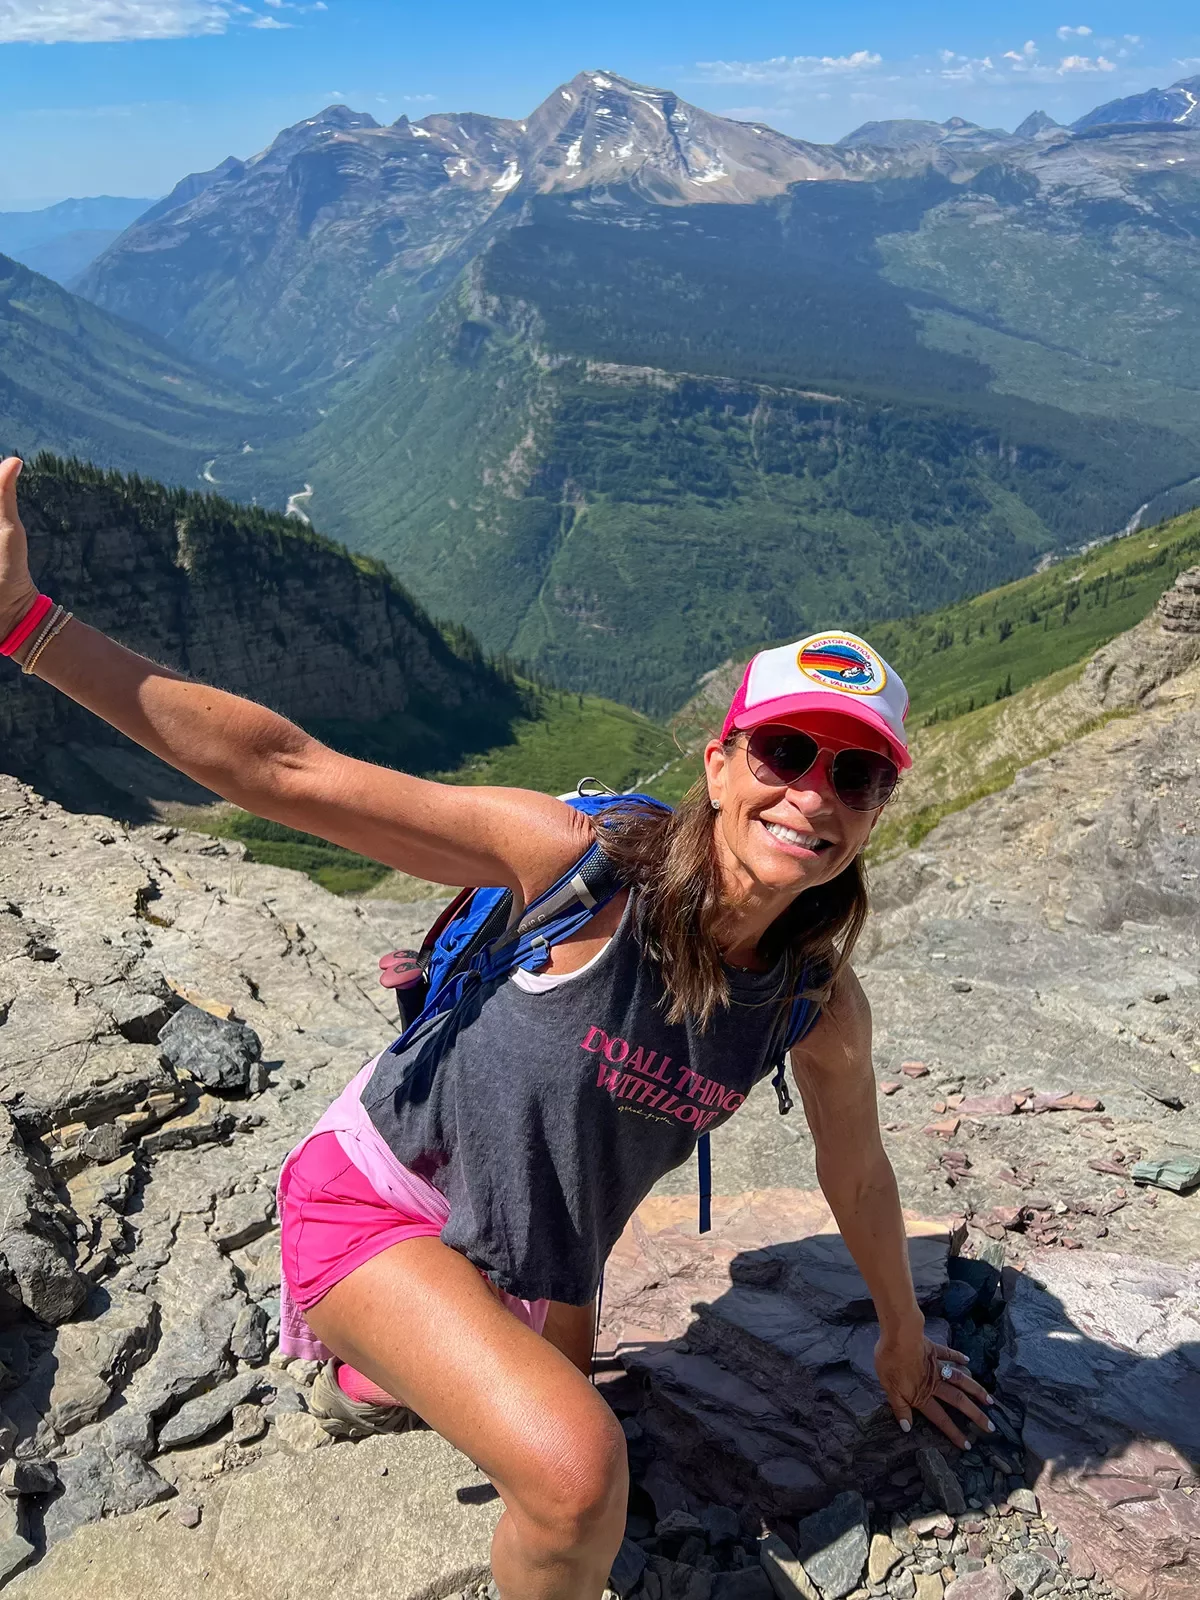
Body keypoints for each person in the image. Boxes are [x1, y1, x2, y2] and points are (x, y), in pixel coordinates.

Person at [0, 457, 993, 1600]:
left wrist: (903, 1337)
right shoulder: (579, 870)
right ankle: (371, 1336)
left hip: (544, 1258)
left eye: (856, 773)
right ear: (720, 764)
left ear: (877, 809)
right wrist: (27, 625)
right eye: (785, 752)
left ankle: (374, 1376)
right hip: (381, 1202)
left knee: (558, 1415)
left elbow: (857, 1169)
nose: (813, 793)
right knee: (579, 1474)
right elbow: (284, 768)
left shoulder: (816, 998)